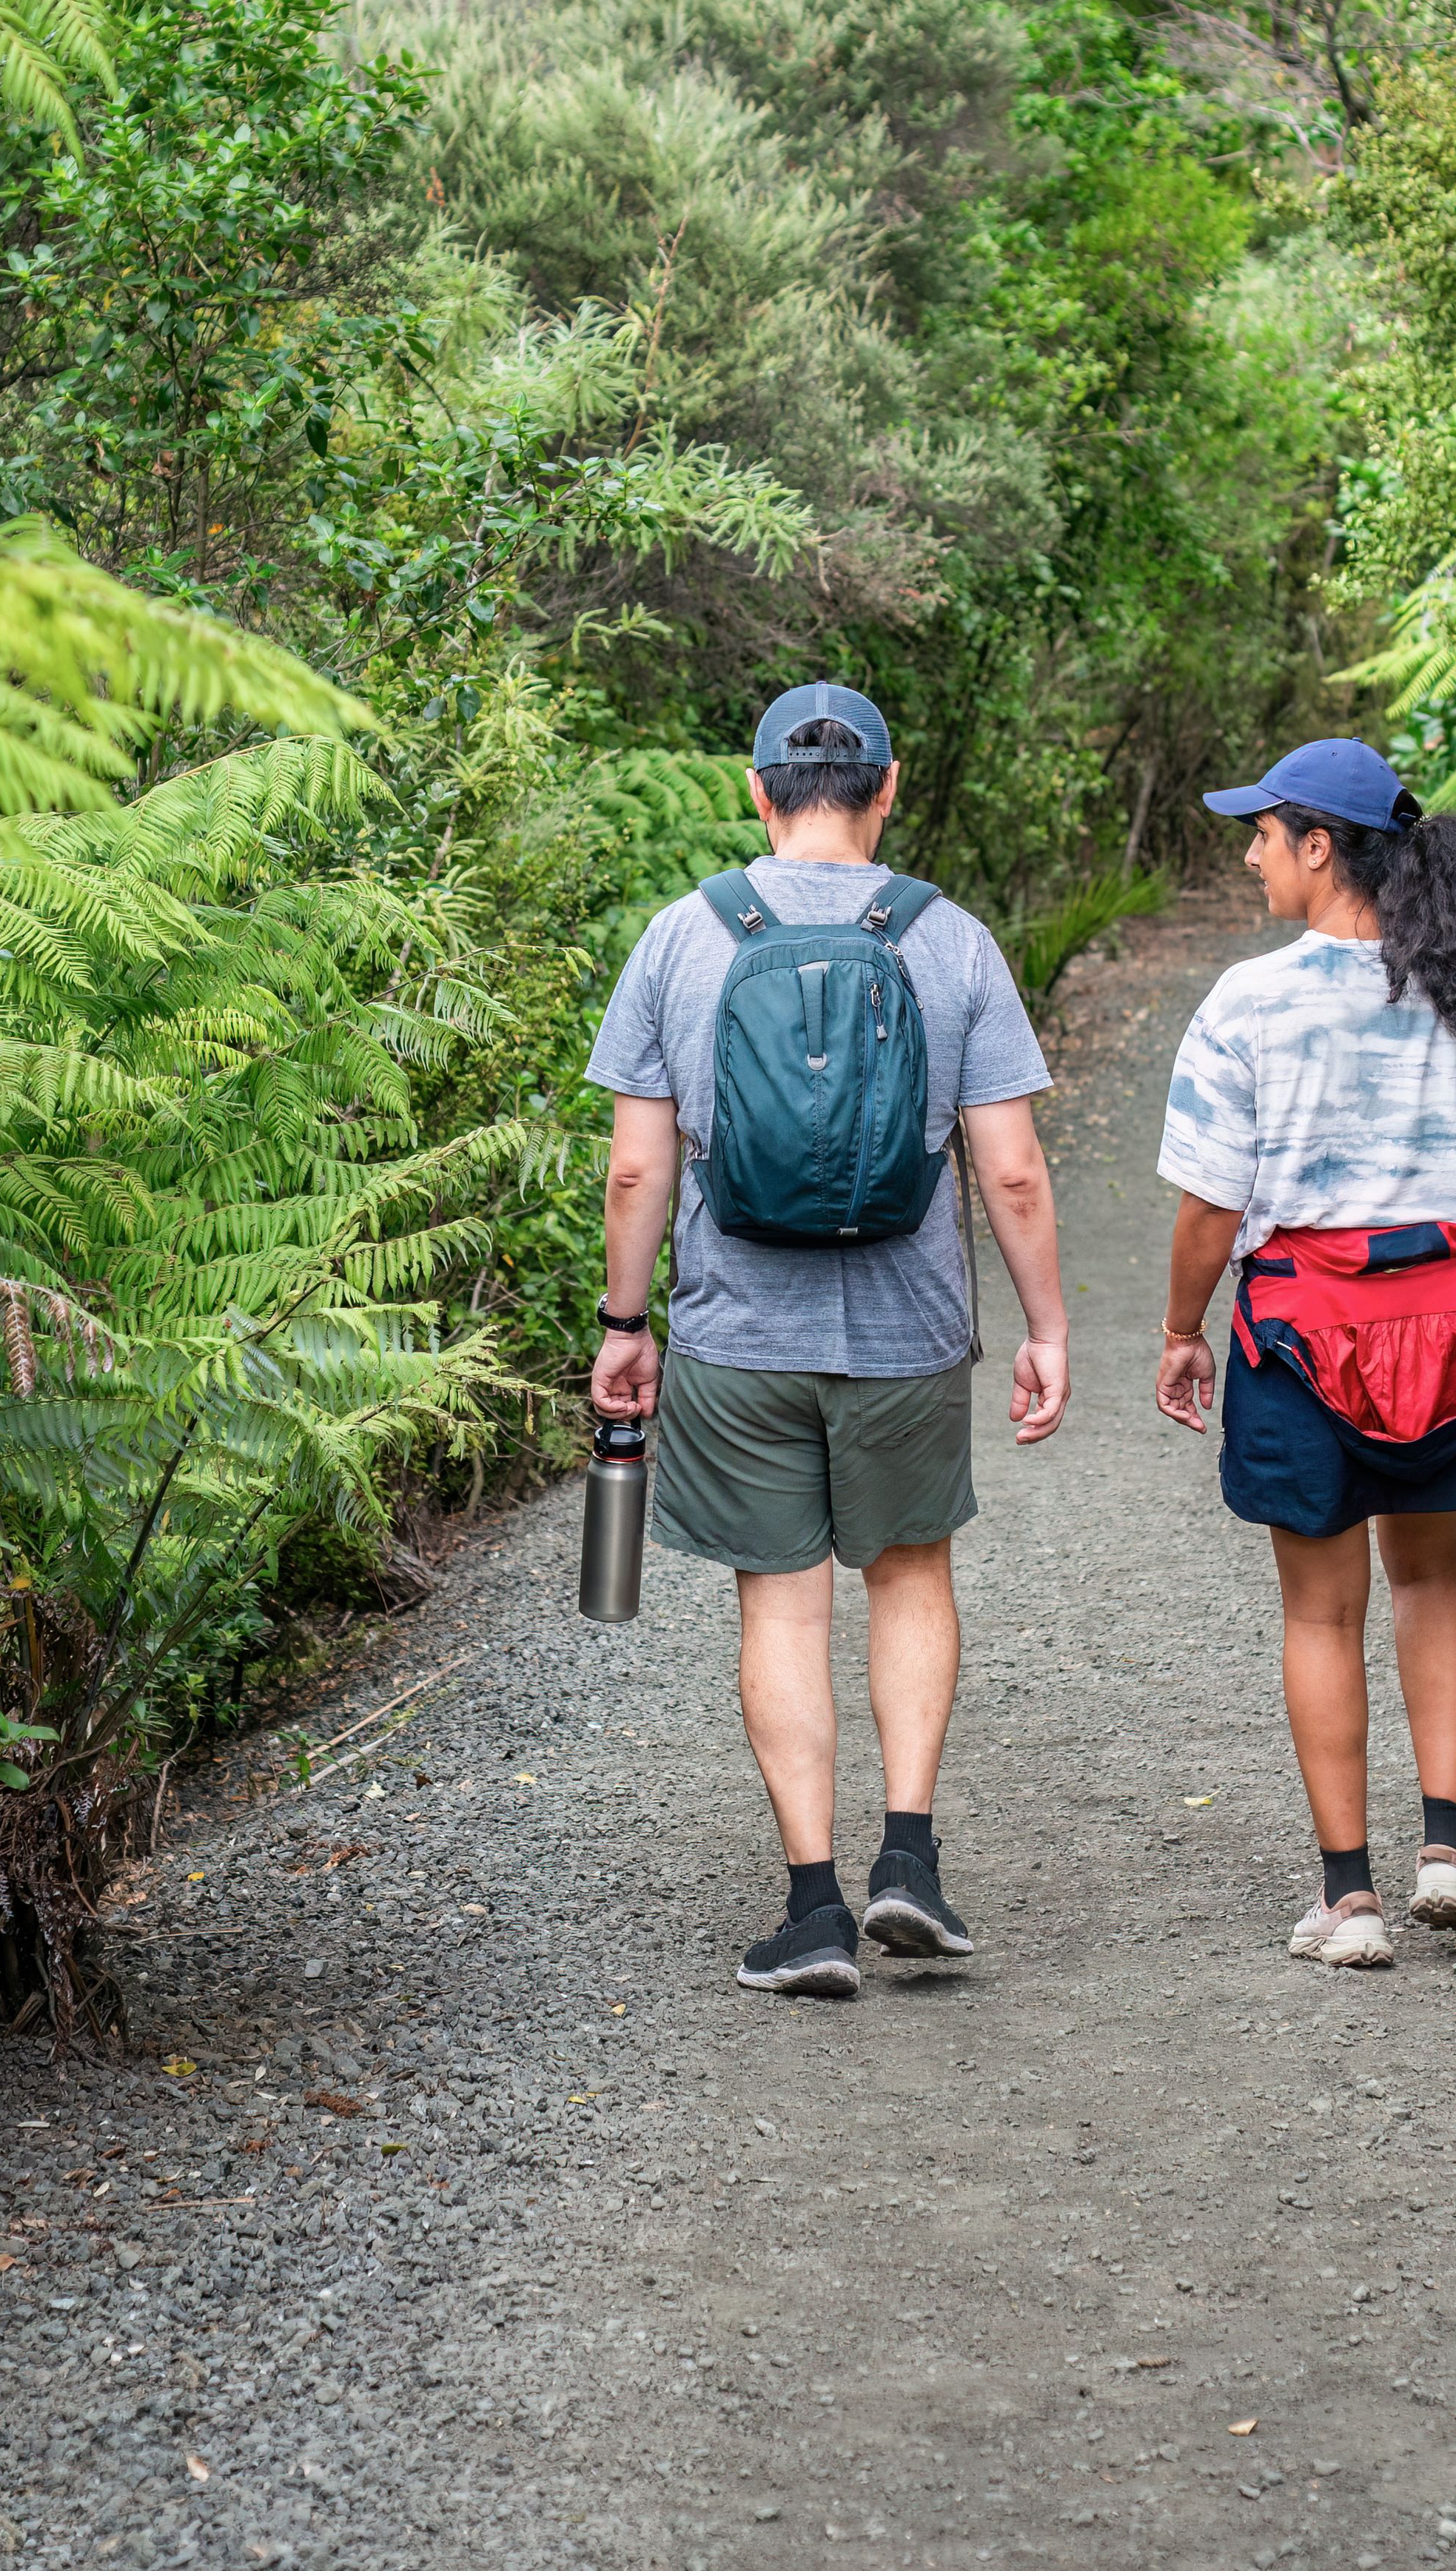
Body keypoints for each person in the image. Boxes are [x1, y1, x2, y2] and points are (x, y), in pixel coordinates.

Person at [588, 683, 1071, 2000]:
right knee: (910, 1575)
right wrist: (1044, 1326)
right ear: (888, 788)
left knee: (780, 1601)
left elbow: (638, 1173)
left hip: (739, 1334)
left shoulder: (684, 938)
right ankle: (906, 1862)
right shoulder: (949, 938)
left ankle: (811, 1910)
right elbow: (1012, 1172)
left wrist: (628, 1325)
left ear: (756, 791)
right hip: (909, 1333)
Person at [1153, 737, 1456, 1968]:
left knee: (1320, 1612)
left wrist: (1184, 1334)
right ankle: (1446, 1851)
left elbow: (1206, 1212)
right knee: (1434, 1579)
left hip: (1304, 1337)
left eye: (1262, 835)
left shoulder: (1247, 1005)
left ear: (1319, 845)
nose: (1249, 857)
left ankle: (1347, 1904)